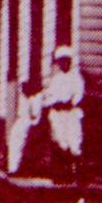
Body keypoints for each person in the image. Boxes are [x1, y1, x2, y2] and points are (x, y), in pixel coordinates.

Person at [43, 45, 85, 181]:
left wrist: (70, 102)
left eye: (66, 60)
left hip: (71, 113)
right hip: (58, 114)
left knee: (74, 142)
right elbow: (48, 96)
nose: (63, 64)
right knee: (60, 143)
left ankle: (77, 174)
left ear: (70, 61)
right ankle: (62, 174)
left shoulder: (76, 78)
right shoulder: (56, 79)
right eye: (60, 61)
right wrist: (53, 103)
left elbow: (79, 95)